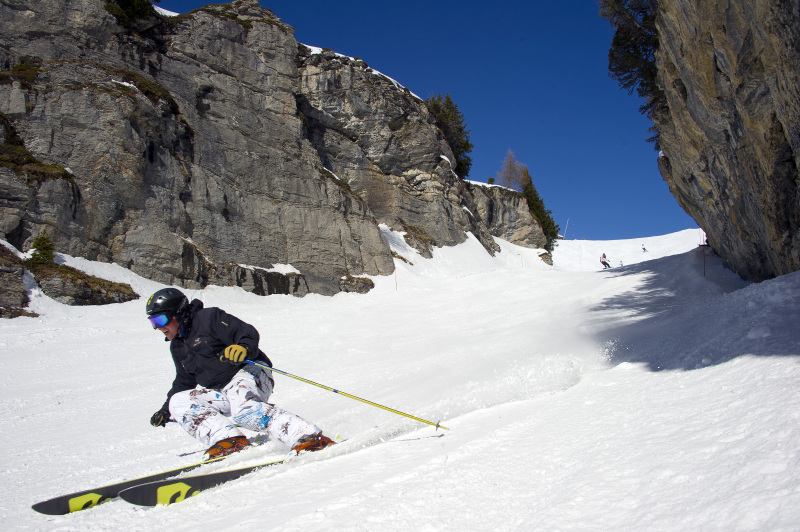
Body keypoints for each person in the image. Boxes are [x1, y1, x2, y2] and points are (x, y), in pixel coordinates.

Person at [146, 288, 334, 459]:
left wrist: (243, 347)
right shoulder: (177, 346)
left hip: (249, 372)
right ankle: (229, 440)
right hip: (222, 390)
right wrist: (166, 410)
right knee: (178, 402)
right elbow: (183, 381)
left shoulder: (208, 318)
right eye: (153, 323)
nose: (158, 328)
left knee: (244, 411)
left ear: (178, 313)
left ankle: (308, 437)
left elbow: (246, 332)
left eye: (160, 320)